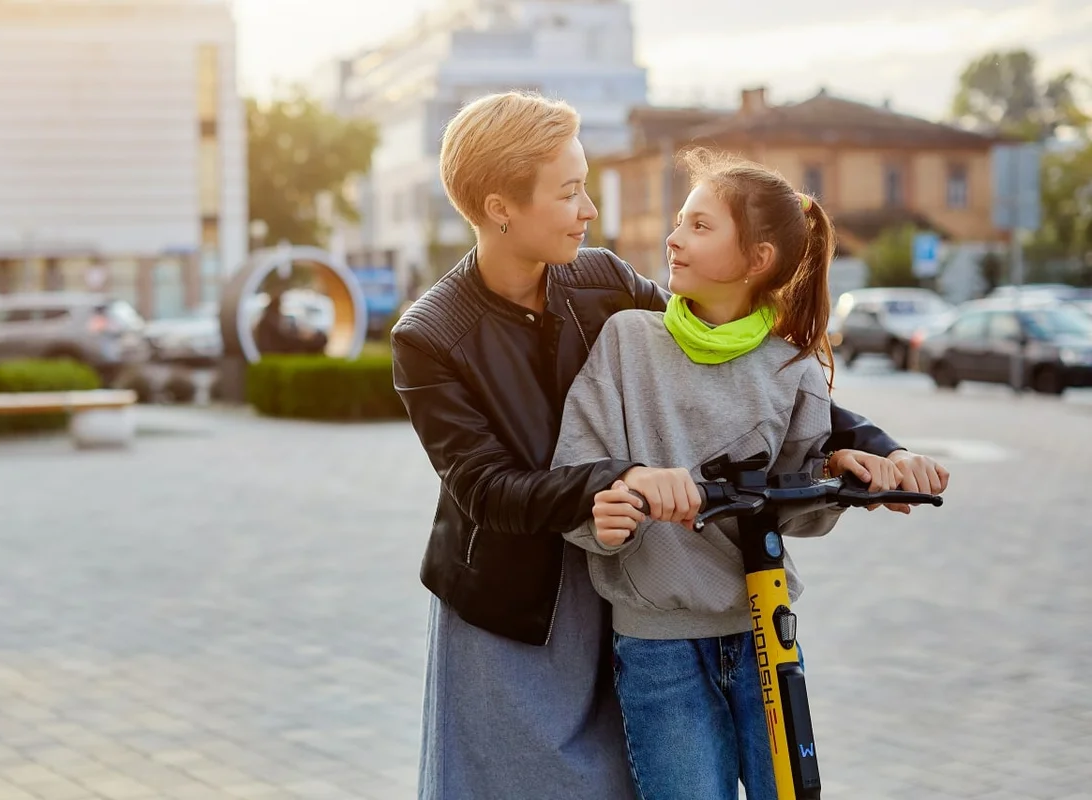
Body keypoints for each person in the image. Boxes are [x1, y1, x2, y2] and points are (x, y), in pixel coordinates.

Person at [390, 91, 947, 800]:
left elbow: (741, 375)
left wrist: (873, 447)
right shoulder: (429, 336)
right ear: (502, 208)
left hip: (631, 583)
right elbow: (486, 489)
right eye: (569, 192)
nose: (590, 210)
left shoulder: (603, 282)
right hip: (515, 604)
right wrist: (627, 478)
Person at [552, 150, 947, 799]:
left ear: (756, 259)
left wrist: (842, 471)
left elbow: (800, 504)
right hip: (661, 647)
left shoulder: (789, 366)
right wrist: (609, 509)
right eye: (680, 222)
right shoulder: (627, 341)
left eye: (700, 226)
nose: (674, 238)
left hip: (766, 629)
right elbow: (577, 474)